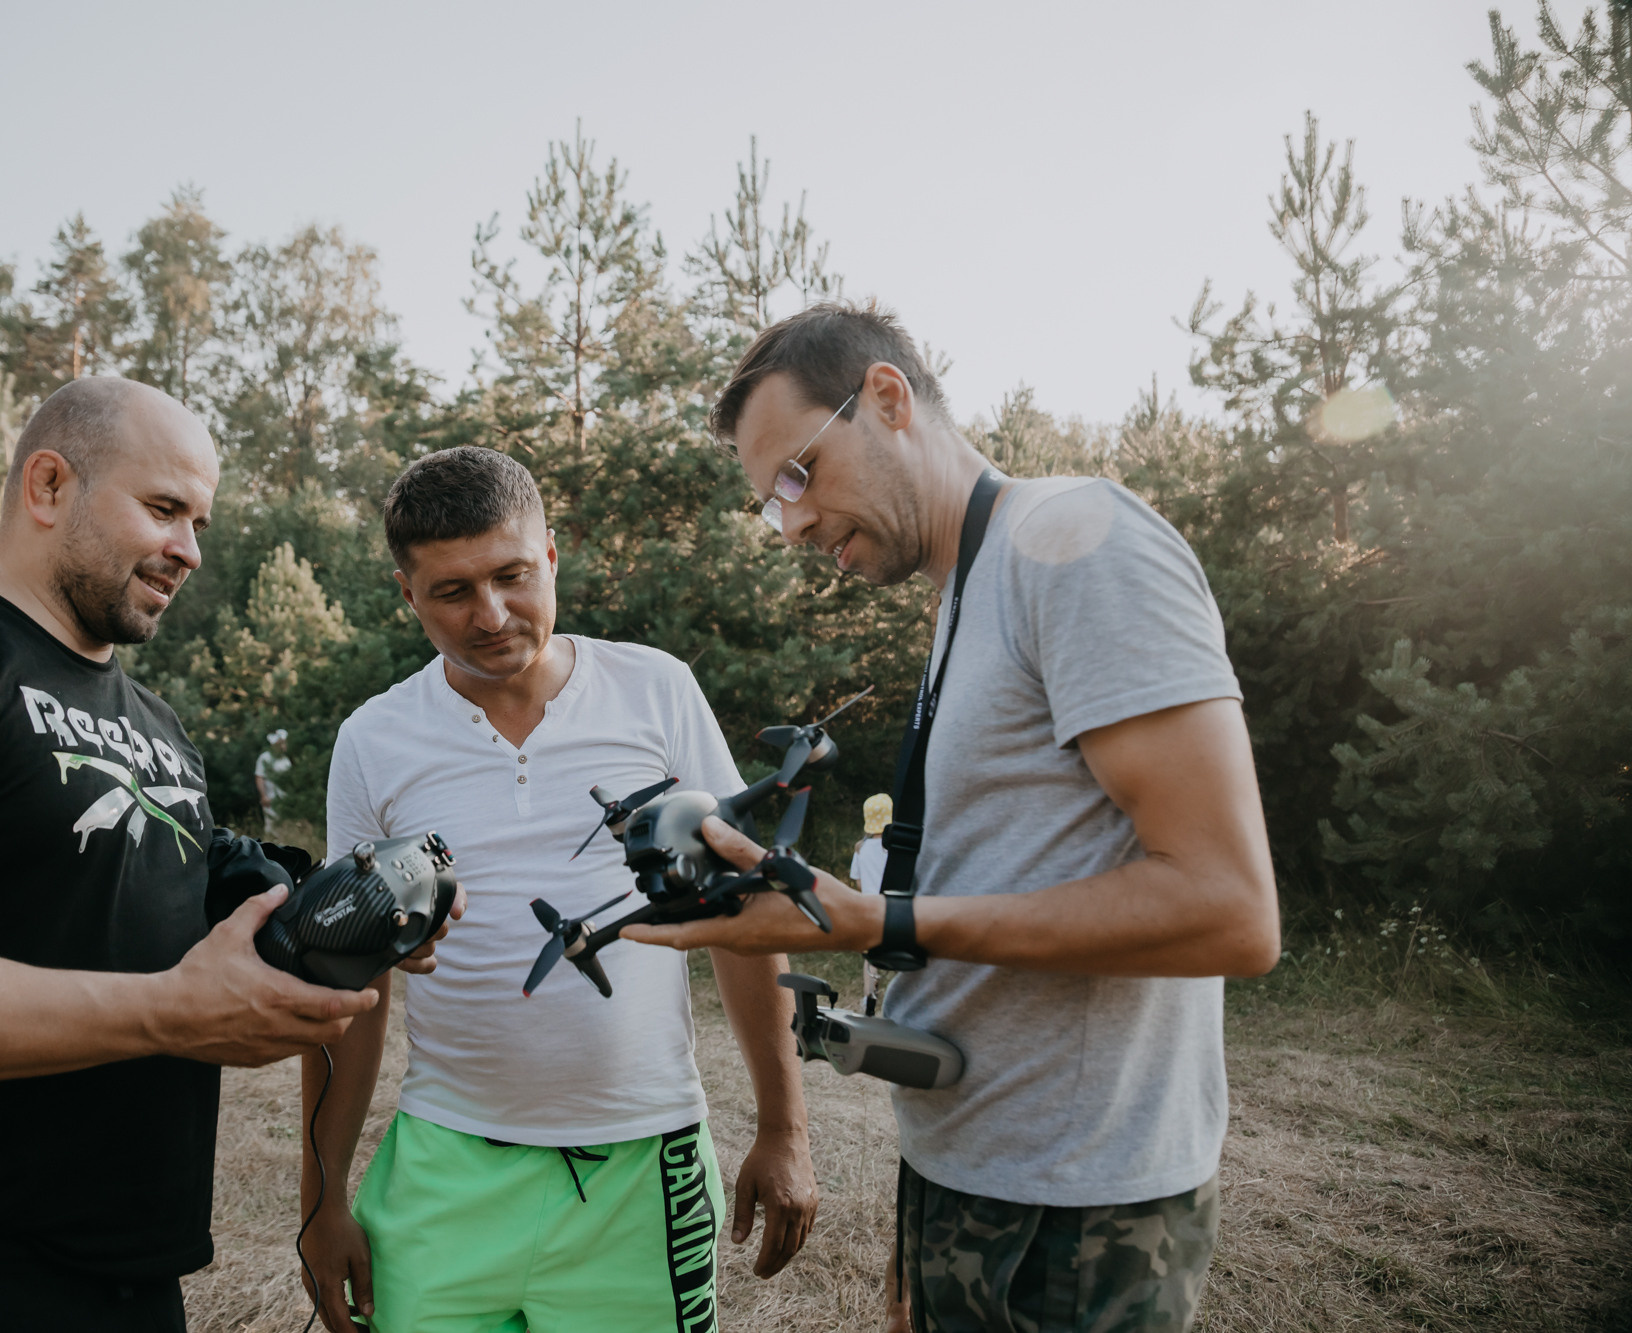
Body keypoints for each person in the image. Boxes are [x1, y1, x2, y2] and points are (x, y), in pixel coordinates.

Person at [625, 303, 1281, 1333]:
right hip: (976, 1177)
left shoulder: (1076, 542)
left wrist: (881, 924)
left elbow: (1228, 909)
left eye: (794, 476)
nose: (790, 525)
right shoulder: (970, 589)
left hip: (1071, 1213)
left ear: (886, 399)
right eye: (769, 506)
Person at [0, 377, 418, 1333]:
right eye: (165, 508)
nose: (190, 550)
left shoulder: (156, 724)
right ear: (48, 486)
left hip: (129, 1277)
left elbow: (162, 880)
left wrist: (337, 909)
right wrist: (167, 1014)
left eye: (201, 520)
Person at [302, 446, 819, 1333]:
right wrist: (320, 1201)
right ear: (407, 595)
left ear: (552, 555)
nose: (491, 614)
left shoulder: (658, 690)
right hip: (442, 1165)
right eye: (452, 591)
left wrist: (785, 1128)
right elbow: (349, 984)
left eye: (511, 575)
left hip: (640, 1161)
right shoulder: (373, 738)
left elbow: (736, 916)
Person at [850, 792, 892, 1009]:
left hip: (868, 910)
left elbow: (857, 882)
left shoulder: (861, 848)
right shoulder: (893, 849)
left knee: (870, 959)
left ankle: (869, 997)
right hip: (892, 908)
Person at [255, 728, 292, 838]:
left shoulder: (286, 760)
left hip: (284, 800)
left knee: (285, 829)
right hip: (271, 800)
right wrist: (263, 796)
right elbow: (259, 777)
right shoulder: (265, 758)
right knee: (271, 829)